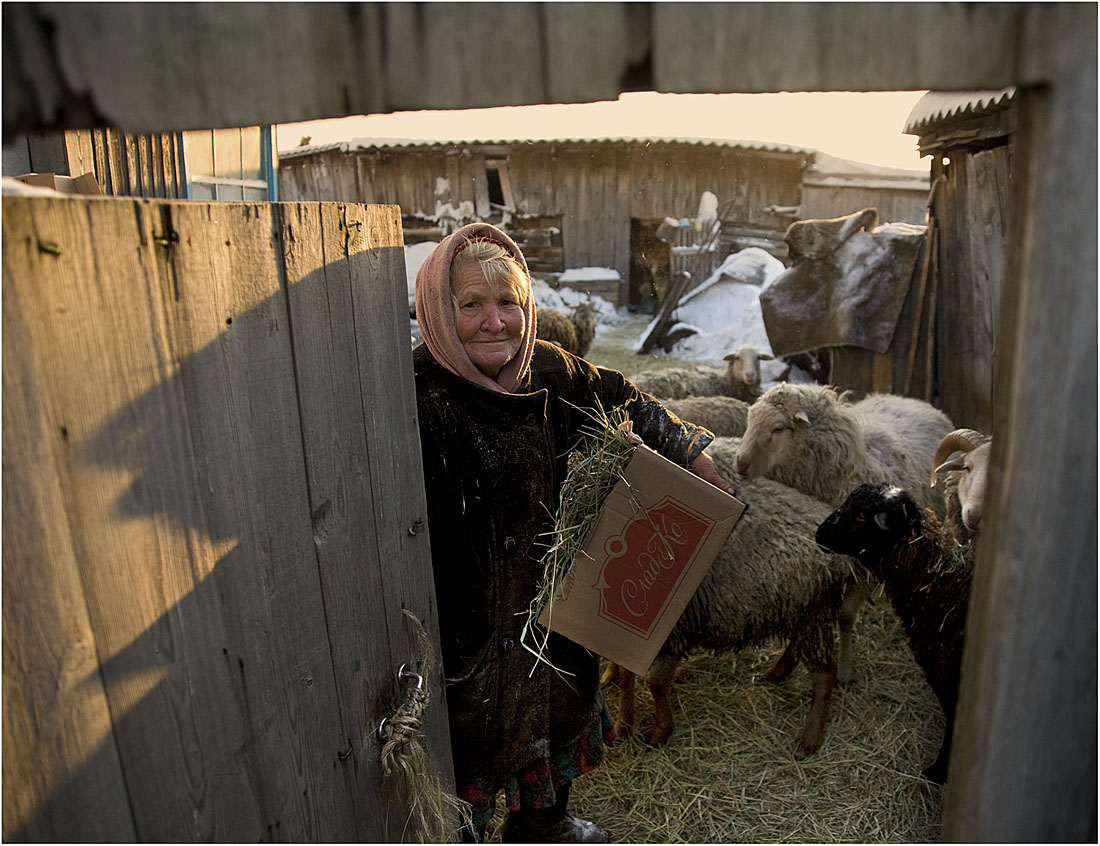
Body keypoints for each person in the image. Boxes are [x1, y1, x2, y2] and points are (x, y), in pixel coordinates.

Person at [413, 222, 737, 842]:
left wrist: (694, 457)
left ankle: (546, 826)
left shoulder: (551, 374)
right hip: (468, 624)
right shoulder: (421, 393)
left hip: (551, 603)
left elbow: (625, 399)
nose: (495, 322)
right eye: (472, 305)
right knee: (473, 746)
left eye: (508, 301)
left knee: (555, 714)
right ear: (438, 308)